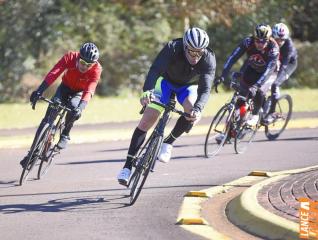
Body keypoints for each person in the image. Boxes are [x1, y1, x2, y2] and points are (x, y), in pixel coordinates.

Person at [117, 27, 216, 185]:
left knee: (191, 112)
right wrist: (147, 91)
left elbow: (205, 89)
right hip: (165, 82)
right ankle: (127, 167)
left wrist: (198, 109)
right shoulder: (173, 47)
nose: (195, 56)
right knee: (148, 119)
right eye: (191, 51)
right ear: (185, 46)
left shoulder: (208, 58)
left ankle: (168, 142)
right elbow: (155, 69)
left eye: (199, 52)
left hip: (187, 86)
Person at [20, 42, 102, 167]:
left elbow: (90, 90)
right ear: (78, 57)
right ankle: (32, 154)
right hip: (64, 88)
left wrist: (81, 108)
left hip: (79, 92)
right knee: (47, 120)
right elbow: (54, 73)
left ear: (94, 64)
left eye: (88, 65)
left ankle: (65, 133)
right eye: (82, 63)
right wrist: (39, 91)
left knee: (73, 108)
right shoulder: (70, 57)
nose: (84, 67)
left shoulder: (97, 69)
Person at [216, 23, 280, 126]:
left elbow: (268, 70)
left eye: (263, 41)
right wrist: (223, 75)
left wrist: (257, 85)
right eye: (257, 41)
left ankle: (255, 115)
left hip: (270, 72)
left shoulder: (273, 49)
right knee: (241, 95)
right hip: (254, 67)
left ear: (268, 40)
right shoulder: (248, 42)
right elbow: (233, 57)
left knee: (259, 90)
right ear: (253, 38)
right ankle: (229, 129)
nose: (260, 44)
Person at [266, 23, 297, 122]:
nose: (279, 42)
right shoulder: (269, 41)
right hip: (276, 61)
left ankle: (272, 112)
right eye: (277, 39)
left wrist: (276, 78)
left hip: (288, 64)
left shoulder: (289, 46)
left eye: (282, 39)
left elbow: (283, 65)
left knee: (275, 84)